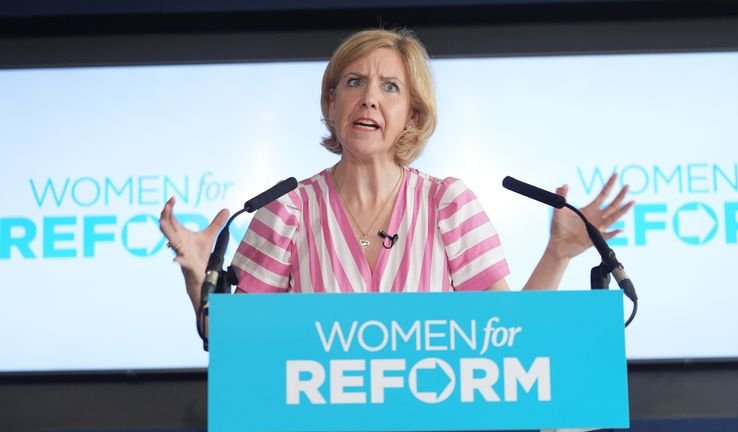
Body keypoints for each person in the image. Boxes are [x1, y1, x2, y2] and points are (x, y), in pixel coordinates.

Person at [159, 28, 632, 315]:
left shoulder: (448, 204)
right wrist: (200, 280)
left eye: (390, 87)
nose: (369, 98)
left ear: (412, 114)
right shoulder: (286, 211)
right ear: (331, 102)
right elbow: (237, 347)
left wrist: (557, 253)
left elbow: (511, 338)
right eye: (354, 82)